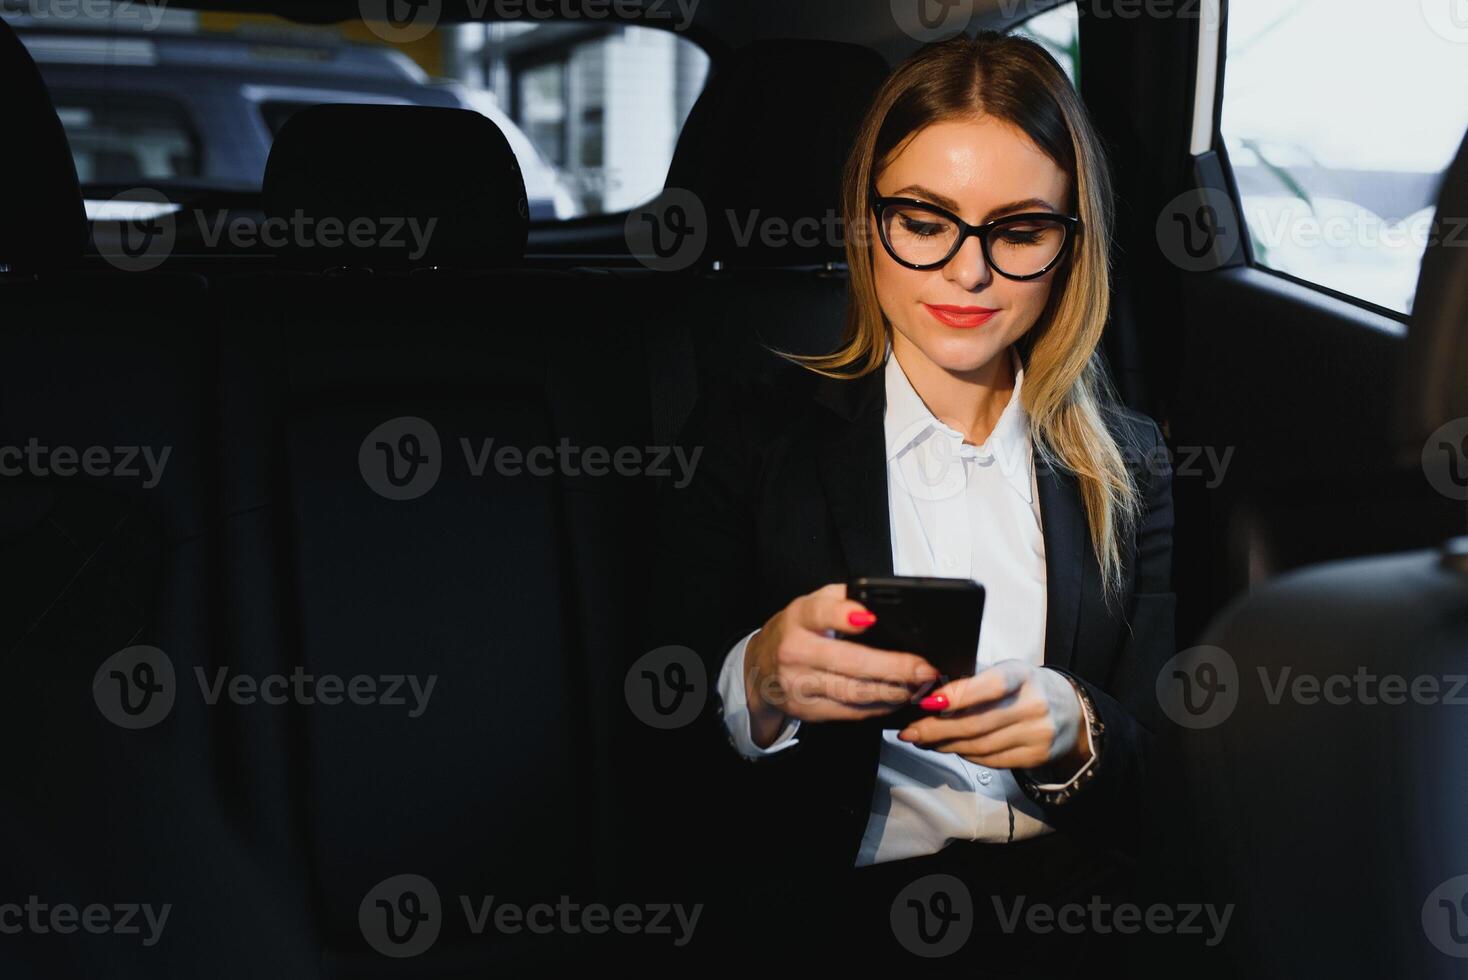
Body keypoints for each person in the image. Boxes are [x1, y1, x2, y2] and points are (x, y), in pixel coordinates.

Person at [647, 30, 1176, 974]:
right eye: (926, 223)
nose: (968, 274)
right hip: (834, 921)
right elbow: (649, 740)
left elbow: (1173, 771)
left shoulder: (1128, 467)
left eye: (1018, 231)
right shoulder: (749, 438)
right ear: (867, 220)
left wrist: (1075, 731)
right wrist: (757, 681)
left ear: (1070, 245)